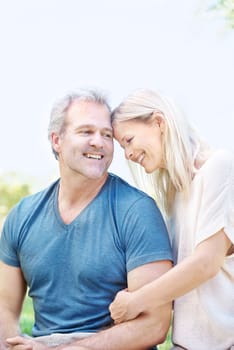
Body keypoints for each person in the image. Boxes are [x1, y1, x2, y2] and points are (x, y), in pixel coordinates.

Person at [0, 88, 173, 350]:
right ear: (57, 140)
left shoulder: (137, 211)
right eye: (86, 132)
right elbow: (5, 309)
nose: (99, 142)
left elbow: (154, 325)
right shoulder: (22, 216)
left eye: (106, 135)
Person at [110, 88, 234, 350]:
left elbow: (206, 264)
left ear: (159, 122)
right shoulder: (175, 195)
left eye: (129, 140)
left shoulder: (219, 168)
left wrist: (136, 302)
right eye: (122, 147)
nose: (128, 154)